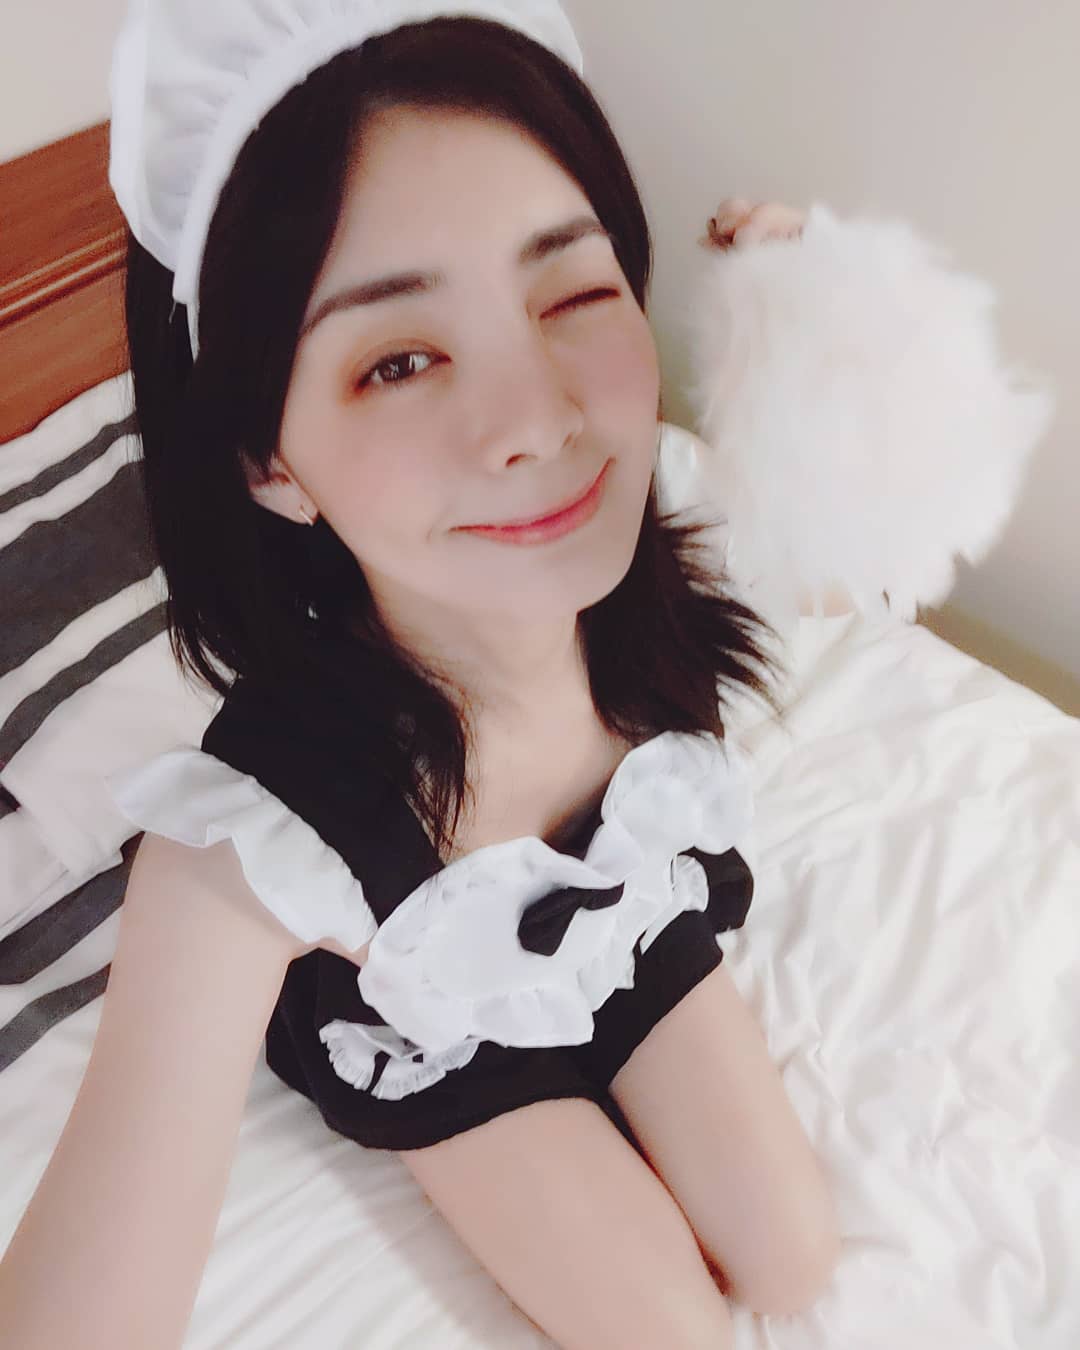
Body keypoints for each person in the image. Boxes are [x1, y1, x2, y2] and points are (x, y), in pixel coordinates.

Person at [0, 4, 840, 1347]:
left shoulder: (653, 584)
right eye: (399, 360)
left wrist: (819, 307)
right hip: (429, 1028)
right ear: (268, 459)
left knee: (794, 1256)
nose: (537, 421)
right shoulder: (254, 845)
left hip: (618, 918)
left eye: (573, 294)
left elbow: (858, 540)